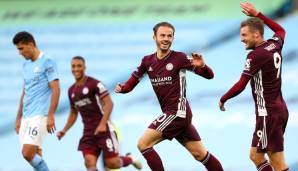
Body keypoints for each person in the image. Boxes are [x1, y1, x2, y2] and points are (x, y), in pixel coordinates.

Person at [114, 22, 224, 171]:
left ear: (173, 38)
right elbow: (132, 82)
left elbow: (209, 76)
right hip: (173, 114)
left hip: (178, 112)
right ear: (154, 37)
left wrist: (203, 66)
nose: (166, 39)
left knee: (143, 144)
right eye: (162, 35)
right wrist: (123, 88)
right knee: (200, 154)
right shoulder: (147, 61)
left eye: (169, 36)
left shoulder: (179, 58)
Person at [219, 2, 290, 171]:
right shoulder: (274, 44)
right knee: (256, 155)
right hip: (277, 110)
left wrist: (223, 98)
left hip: (269, 114)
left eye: (244, 35)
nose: (242, 39)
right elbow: (281, 30)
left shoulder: (256, 55)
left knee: (277, 163)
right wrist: (258, 13)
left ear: (257, 35)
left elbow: (241, 84)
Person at [56, 56, 142, 171]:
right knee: (89, 164)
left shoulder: (95, 84)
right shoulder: (71, 90)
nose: (76, 69)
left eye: (79, 66)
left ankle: (130, 159)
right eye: (73, 66)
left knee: (112, 164)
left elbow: (109, 104)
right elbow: (73, 112)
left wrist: (102, 124)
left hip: (104, 130)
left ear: (84, 67)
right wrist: (64, 130)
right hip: (88, 133)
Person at [13, 31, 60, 171]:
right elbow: (25, 92)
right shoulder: (25, 66)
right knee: (35, 155)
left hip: (40, 115)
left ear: (31, 44)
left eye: (21, 48)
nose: (19, 53)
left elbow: (56, 89)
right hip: (26, 116)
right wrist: (18, 117)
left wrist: (51, 115)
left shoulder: (47, 62)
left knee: (27, 153)